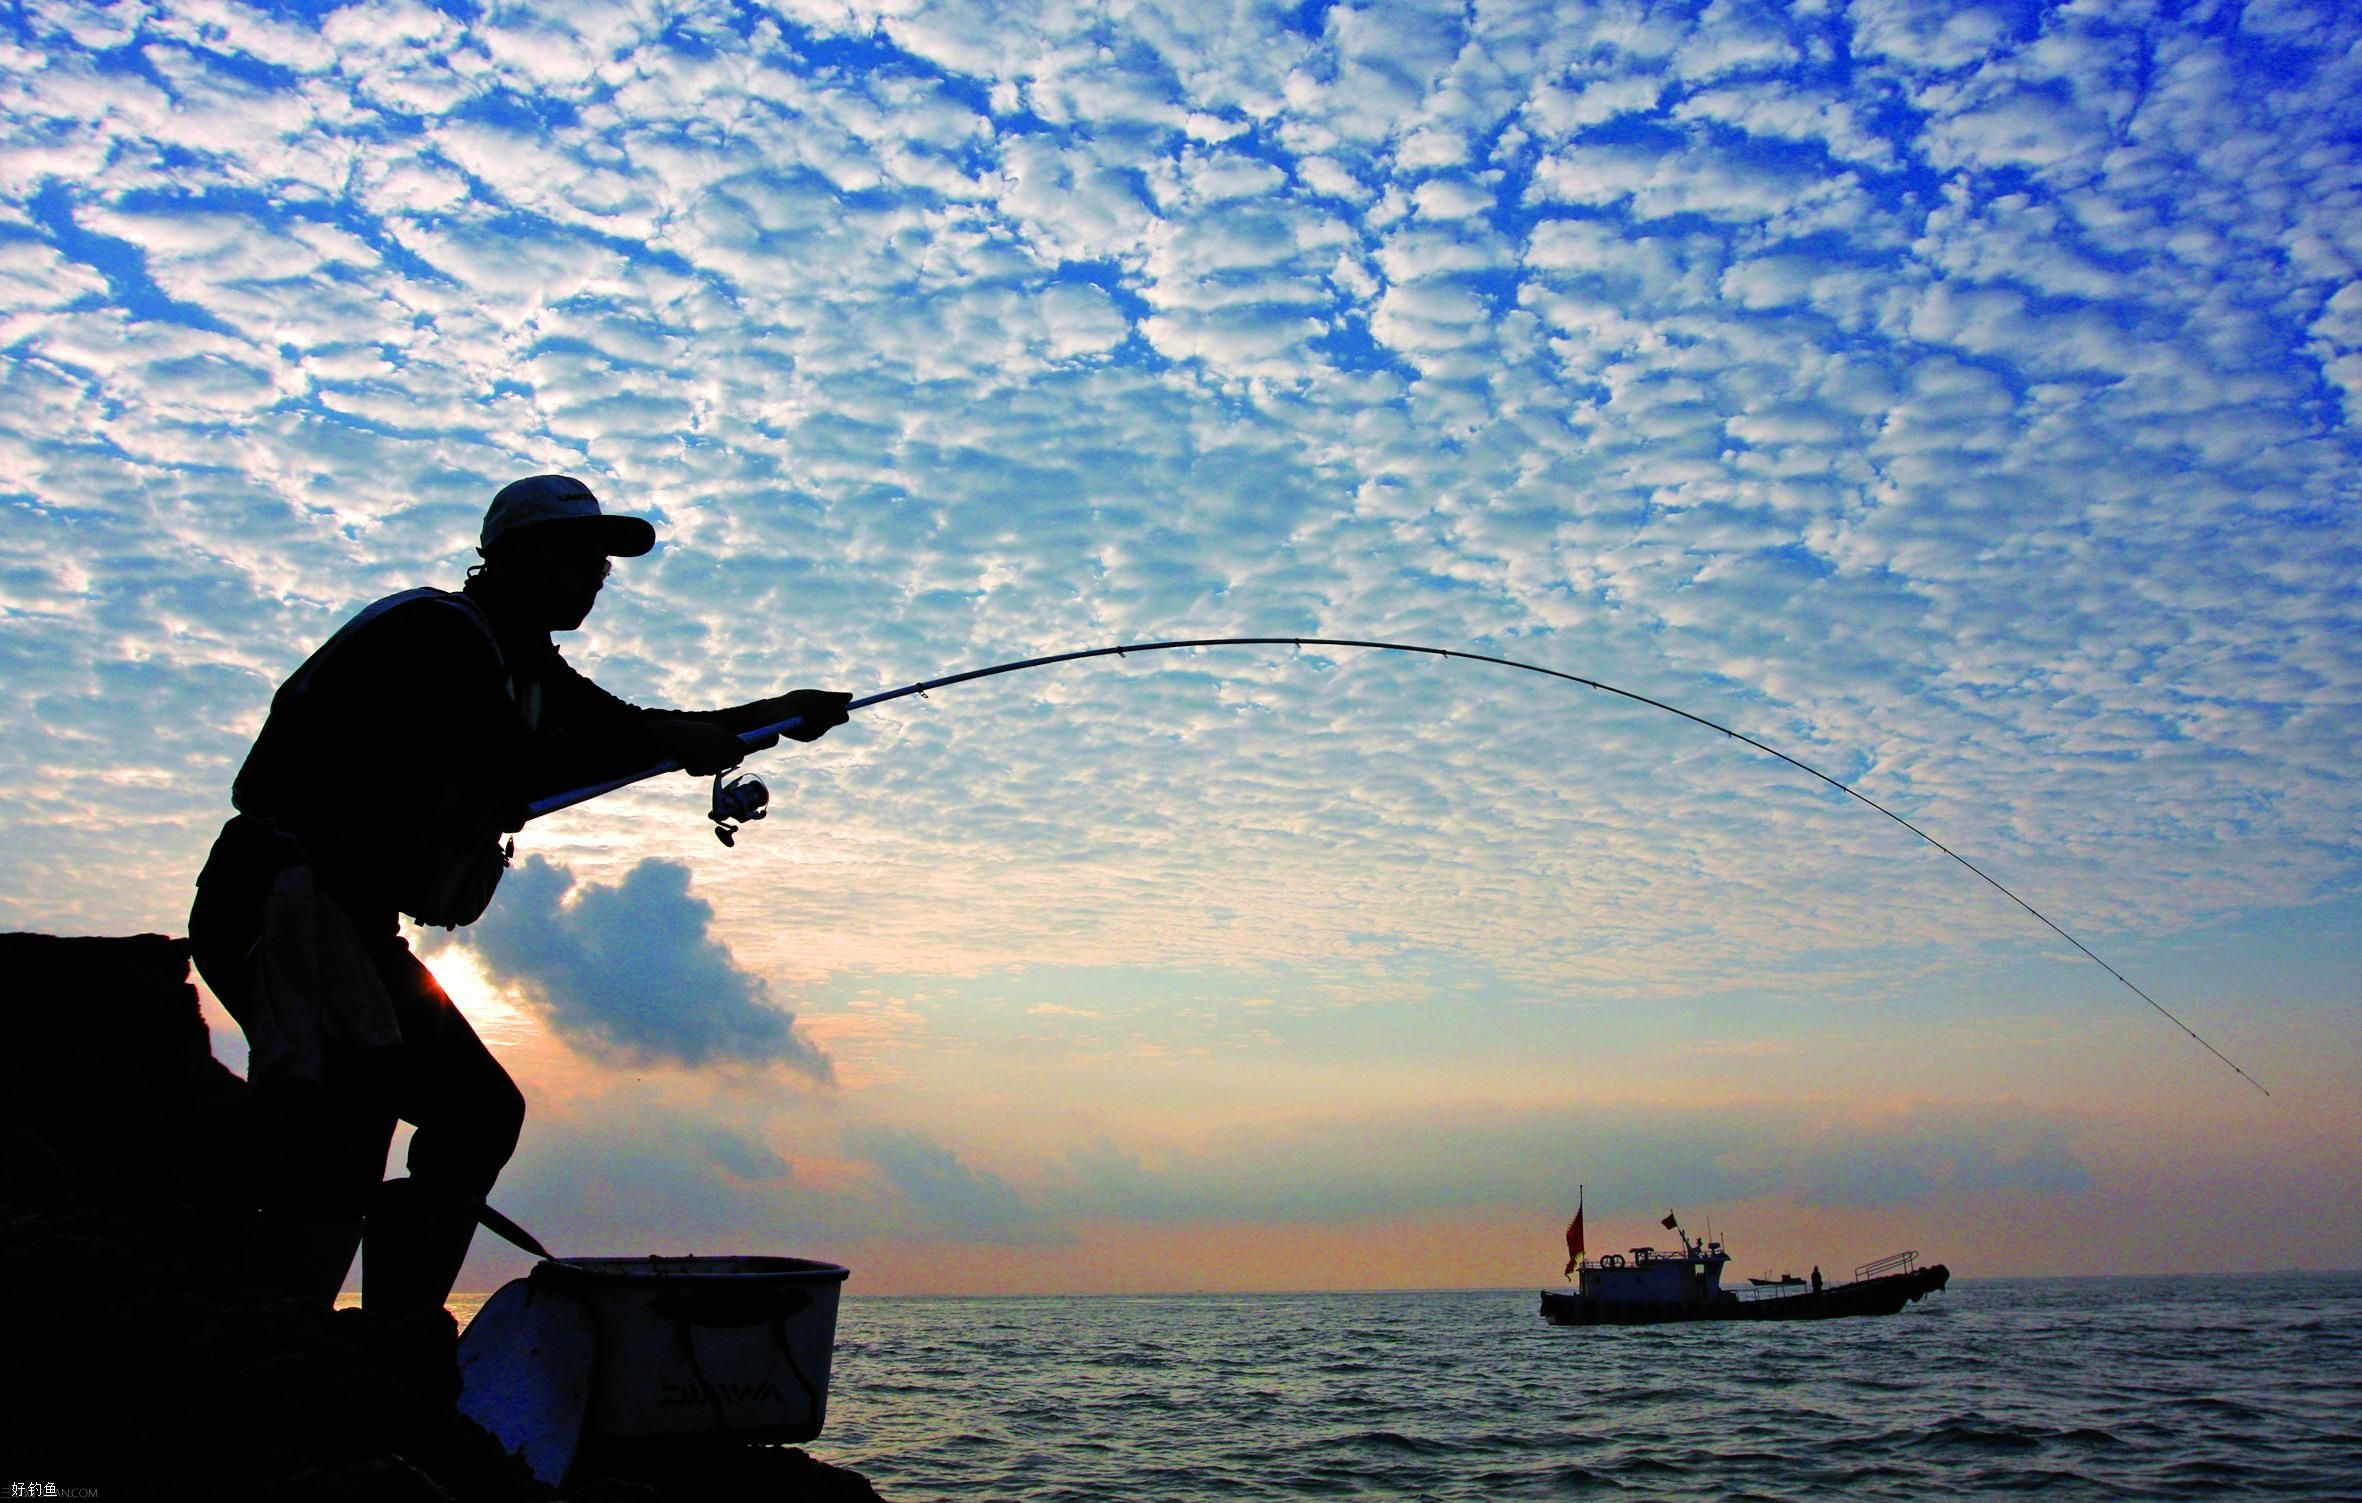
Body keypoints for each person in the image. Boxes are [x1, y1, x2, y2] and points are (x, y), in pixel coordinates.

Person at [189, 475, 849, 1321]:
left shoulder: (522, 662)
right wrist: (667, 739)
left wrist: (779, 715)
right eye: (581, 557)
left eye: (602, 563)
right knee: (347, 1115)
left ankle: (395, 1335)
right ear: (516, 555)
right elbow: (515, 763)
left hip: (354, 922)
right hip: (282, 899)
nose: (598, 576)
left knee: (477, 1112)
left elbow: (623, 730)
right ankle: (280, 1341)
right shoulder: (433, 632)